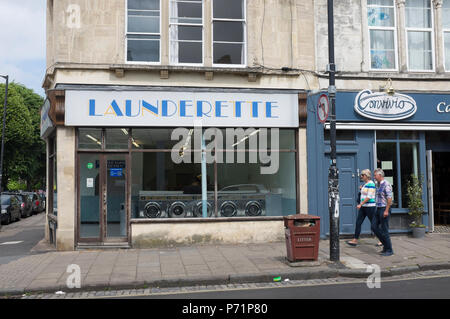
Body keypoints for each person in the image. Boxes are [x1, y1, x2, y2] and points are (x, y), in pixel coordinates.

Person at [346, 169, 377, 247]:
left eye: (362, 175)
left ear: (366, 176)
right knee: (358, 223)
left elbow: (369, 196)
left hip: (370, 207)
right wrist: (361, 189)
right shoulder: (365, 184)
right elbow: (364, 194)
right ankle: (355, 240)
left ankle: (382, 240)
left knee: (374, 224)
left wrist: (360, 204)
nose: (361, 177)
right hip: (364, 207)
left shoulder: (371, 184)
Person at [373, 168, 394, 256]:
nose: (374, 177)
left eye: (375, 175)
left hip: (384, 209)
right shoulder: (378, 184)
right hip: (378, 208)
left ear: (380, 175)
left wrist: (386, 210)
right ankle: (385, 246)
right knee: (374, 227)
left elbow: (389, 199)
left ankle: (389, 250)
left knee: (384, 230)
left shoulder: (386, 184)